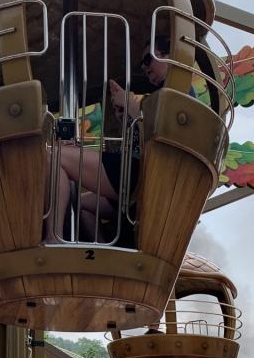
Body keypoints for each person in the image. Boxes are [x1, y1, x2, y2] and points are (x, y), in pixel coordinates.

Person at [44, 36, 173, 244]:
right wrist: (129, 119)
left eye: (148, 60)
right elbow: (145, 138)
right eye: (142, 63)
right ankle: (102, 251)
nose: (144, 67)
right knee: (82, 204)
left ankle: (53, 237)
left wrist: (131, 104)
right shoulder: (159, 97)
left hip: (135, 175)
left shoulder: (173, 95)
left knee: (53, 156)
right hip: (134, 174)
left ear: (171, 56)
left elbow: (162, 127)